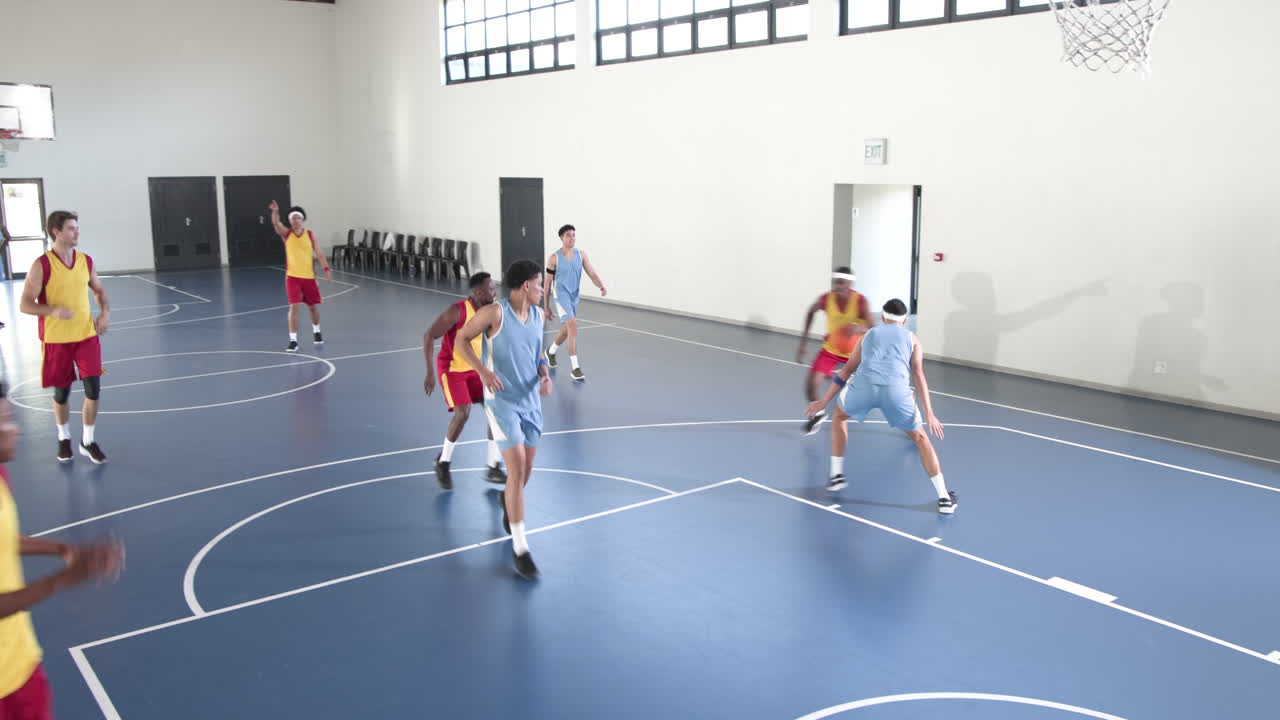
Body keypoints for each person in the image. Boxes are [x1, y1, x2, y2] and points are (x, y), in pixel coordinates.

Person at [0, 367, 125, 719]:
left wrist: (60, 549)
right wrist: (64, 579)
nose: (16, 428)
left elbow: (3, 540)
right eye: (4, 420)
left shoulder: (1, 475)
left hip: (21, 664)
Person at [806, 298, 957, 513]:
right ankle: (944, 498)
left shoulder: (868, 335)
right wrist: (930, 414)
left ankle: (836, 475)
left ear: (883, 317)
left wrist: (823, 402)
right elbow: (918, 375)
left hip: (864, 388)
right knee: (920, 438)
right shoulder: (913, 339)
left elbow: (847, 371)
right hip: (896, 393)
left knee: (840, 416)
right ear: (904, 320)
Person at [455, 259, 552, 580]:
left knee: (524, 475)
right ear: (526, 285)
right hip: (502, 404)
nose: (542, 289)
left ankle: (506, 498)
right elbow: (460, 340)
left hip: (530, 402)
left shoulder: (538, 316)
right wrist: (482, 370)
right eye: (539, 284)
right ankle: (521, 549)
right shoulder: (495, 314)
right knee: (516, 469)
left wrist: (544, 373)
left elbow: (538, 354)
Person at [19, 211, 111, 464]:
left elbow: (100, 290)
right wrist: (51, 310)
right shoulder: (42, 265)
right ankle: (63, 437)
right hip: (57, 340)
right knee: (62, 394)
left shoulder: (86, 261)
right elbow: (25, 304)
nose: (77, 232)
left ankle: (88, 441)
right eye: (71, 228)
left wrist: (104, 313)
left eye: (77, 228)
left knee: (93, 389)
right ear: (56, 232)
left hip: (86, 336)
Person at [423, 272, 508, 489]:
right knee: (463, 414)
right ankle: (443, 462)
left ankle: (493, 466)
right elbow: (429, 335)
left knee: (494, 411)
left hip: (476, 370)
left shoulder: (491, 312)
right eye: (491, 288)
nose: (495, 291)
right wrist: (430, 372)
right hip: (452, 370)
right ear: (479, 292)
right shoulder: (457, 311)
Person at [797, 267, 874, 484]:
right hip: (831, 349)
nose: (838, 286)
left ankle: (910, 425)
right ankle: (818, 413)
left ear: (850, 285)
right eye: (836, 282)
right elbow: (811, 312)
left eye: (842, 283)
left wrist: (857, 328)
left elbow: (873, 328)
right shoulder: (825, 299)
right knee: (810, 384)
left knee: (880, 394)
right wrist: (803, 341)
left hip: (855, 352)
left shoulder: (860, 302)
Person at [544, 224, 606, 381]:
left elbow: (592, 273)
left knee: (566, 329)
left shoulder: (581, 255)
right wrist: (546, 306)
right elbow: (547, 283)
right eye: (568, 235)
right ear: (561, 238)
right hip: (561, 295)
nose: (572, 238)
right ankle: (575, 367)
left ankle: (550, 352)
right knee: (572, 324)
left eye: (573, 235)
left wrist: (600, 285)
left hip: (574, 296)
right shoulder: (554, 258)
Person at [268, 201, 331, 352]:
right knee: (293, 308)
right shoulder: (287, 234)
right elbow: (276, 223)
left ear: (302, 220)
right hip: (292, 277)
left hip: (309, 277)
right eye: (293, 218)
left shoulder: (309, 235)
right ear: (290, 220)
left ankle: (316, 332)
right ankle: (293, 341)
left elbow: (319, 253)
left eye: (298, 218)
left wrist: (326, 269)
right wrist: (275, 212)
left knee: (312, 307)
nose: (296, 220)